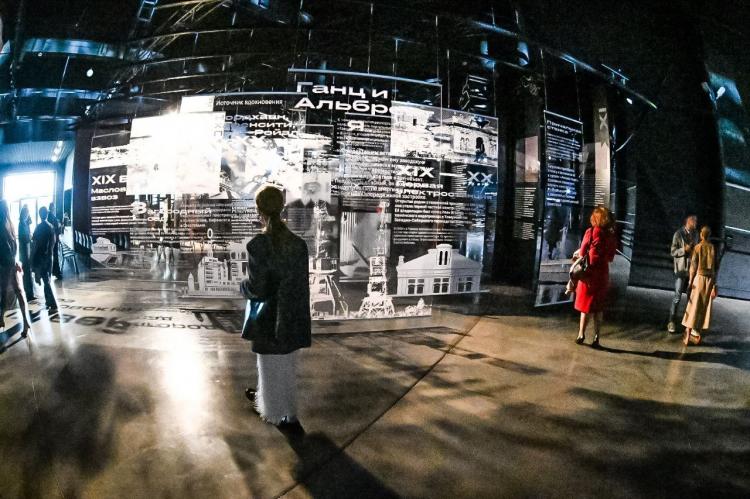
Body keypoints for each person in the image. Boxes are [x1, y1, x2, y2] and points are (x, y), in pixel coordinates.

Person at [240, 185, 311, 428]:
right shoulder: (298, 245)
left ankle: (272, 411)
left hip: (268, 319)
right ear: (282, 208)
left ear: (259, 210)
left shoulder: (258, 245)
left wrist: (243, 287)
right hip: (292, 319)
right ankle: (289, 413)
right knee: (288, 367)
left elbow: (257, 288)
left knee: (269, 369)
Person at [574, 206, 617, 347]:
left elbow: (582, 252)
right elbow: (611, 258)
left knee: (585, 307)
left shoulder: (591, 231)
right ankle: (596, 338)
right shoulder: (611, 236)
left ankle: (581, 334)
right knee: (598, 308)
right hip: (602, 274)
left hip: (589, 273)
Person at [682, 226, 718, 346]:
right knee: (703, 307)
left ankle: (688, 332)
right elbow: (714, 269)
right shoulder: (712, 248)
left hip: (699, 279)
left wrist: (690, 282)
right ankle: (698, 333)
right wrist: (714, 286)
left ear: (701, 235)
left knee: (693, 307)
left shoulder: (698, 247)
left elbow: (693, 267)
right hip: (709, 281)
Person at [0, 201, 31, 336]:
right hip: (11, 263)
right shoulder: (10, 223)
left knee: (5, 292)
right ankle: (24, 321)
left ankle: (4, 319)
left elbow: (6, 247)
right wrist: (15, 261)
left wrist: (11, 262)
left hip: (5, 264)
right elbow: (14, 245)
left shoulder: (2, 225)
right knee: (18, 292)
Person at [668, 214, 699, 333]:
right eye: (694, 221)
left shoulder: (696, 235)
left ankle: (688, 323)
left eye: (696, 222)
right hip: (681, 270)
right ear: (688, 222)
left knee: (690, 298)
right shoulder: (678, 234)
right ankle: (671, 321)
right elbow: (673, 252)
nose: (695, 224)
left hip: (692, 271)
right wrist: (683, 250)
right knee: (677, 297)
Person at [31, 206, 58, 310]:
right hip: (49, 256)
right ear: (46, 214)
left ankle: (52, 303)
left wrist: (32, 258)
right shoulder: (51, 227)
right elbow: (53, 242)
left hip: (41, 257)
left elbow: (35, 244)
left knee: (45, 280)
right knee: (47, 278)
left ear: (39, 214)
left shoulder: (38, 228)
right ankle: (48, 301)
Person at [18, 205, 36, 301]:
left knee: (28, 272)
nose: (27, 214)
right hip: (24, 251)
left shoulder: (25, 223)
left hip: (26, 250)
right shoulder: (21, 224)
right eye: (26, 213)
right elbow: (23, 238)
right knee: (26, 273)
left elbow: (30, 222)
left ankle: (30, 293)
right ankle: (29, 294)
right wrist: (30, 238)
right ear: (23, 214)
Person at [48, 202, 62, 279]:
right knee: (55, 256)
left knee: (55, 255)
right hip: (54, 238)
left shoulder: (51, 215)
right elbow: (53, 228)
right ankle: (56, 272)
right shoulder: (51, 216)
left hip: (54, 238)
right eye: (54, 207)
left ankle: (55, 271)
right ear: (51, 208)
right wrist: (59, 227)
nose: (55, 208)